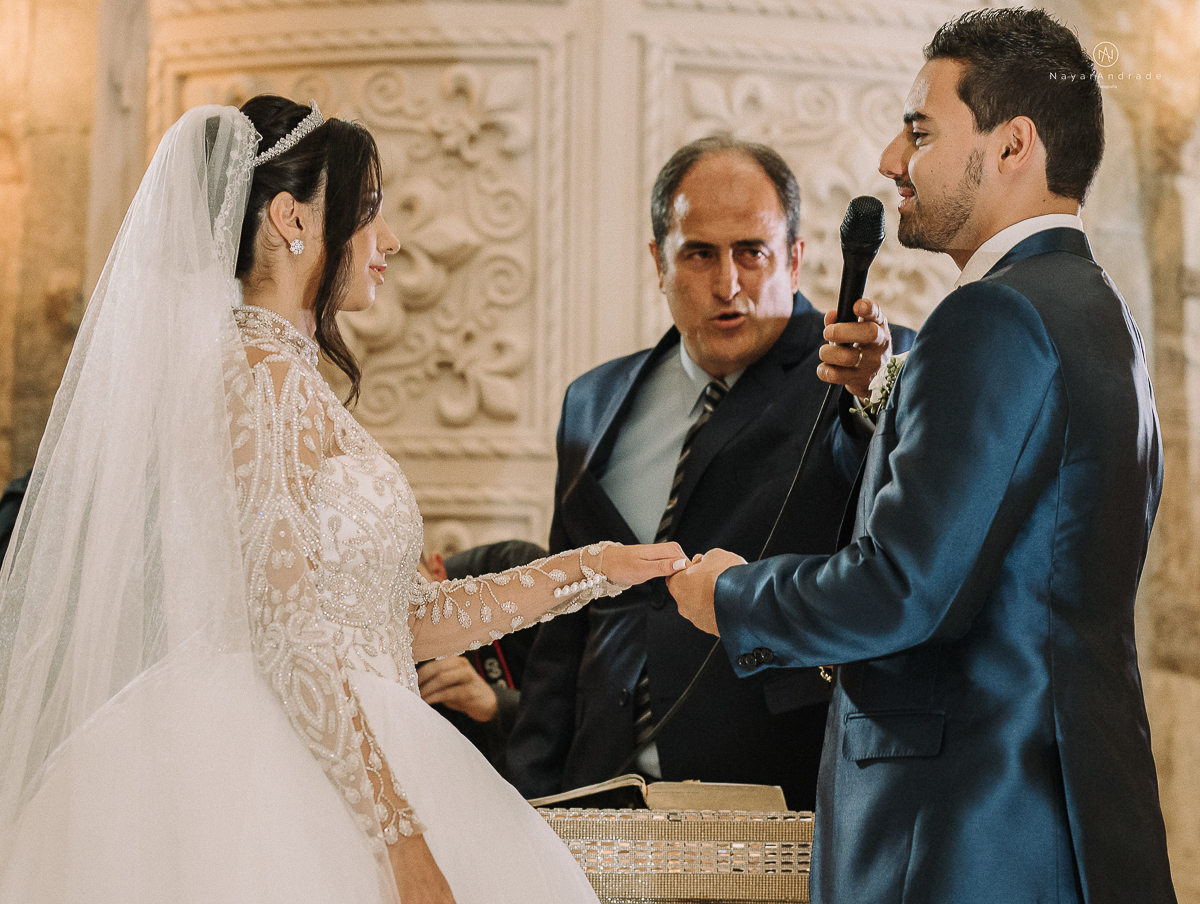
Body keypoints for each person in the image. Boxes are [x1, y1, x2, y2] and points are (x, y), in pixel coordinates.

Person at [0, 96, 686, 904]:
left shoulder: (284, 379)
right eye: (367, 213)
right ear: (292, 219)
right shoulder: (261, 378)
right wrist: (400, 839)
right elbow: (287, 629)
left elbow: (389, 622)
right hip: (276, 759)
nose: (388, 240)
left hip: (335, 719)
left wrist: (594, 572)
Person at [669, 9, 1176, 903]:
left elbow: (905, 588)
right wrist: (884, 399)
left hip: (966, 836)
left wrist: (733, 597)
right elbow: (1020, 539)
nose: (888, 161)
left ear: (1012, 145)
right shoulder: (1099, 312)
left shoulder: (989, 316)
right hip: (1066, 821)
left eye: (919, 129)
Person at [508, 134, 912, 809]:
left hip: (778, 791)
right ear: (658, 262)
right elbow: (564, 621)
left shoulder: (854, 373)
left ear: (795, 258)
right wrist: (529, 794)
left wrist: (879, 391)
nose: (728, 285)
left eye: (751, 253)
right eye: (699, 254)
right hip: (598, 787)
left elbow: (894, 482)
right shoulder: (593, 400)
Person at [417, 540, 548, 774]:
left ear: (437, 570)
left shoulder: (516, 575)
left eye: (409, 589)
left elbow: (592, 719)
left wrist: (497, 705)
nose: (402, 616)